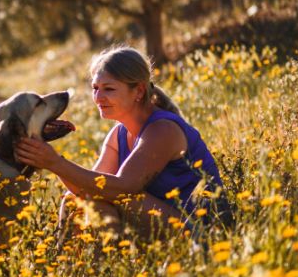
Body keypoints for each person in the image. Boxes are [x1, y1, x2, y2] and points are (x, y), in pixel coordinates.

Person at [14, 45, 232, 240]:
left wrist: (55, 163)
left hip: (203, 231)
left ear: (138, 90)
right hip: (163, 223)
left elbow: (125, 188)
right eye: (95, 88)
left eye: (108, 89)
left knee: (117, 197)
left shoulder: (162, 129)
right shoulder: (119, 134)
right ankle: (79, 270)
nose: (98, 97)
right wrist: (51, 163)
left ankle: (107, 270)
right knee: (77, 199)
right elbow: (86, 189)